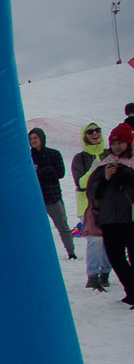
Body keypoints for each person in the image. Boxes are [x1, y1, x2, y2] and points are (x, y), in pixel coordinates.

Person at [85, 123, 134, 307]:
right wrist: (105, 178)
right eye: (114, 143)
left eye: (121, 142)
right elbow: (92, 191)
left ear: (129, 143)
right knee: (115, 256)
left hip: (130, 218)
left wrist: (128, 177)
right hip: (109, 219)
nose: (117, 146)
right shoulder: (103, 165)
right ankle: (131, 290)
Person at [71, 123, 113, 291]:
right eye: (90, 132)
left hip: (108, 204)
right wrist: (93, 170)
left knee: (109, 240)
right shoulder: (80, 158)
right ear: (84, 136)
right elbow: (80, 183)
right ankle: (92, 275)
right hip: (87, 206)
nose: (95, 133)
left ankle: (105, 273)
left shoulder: (108, 153)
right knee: (95, 240)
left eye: (97, 130)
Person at [29, 127, 77, 260]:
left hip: (53, 197)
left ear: (42, 138)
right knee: (36, 229)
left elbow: (60, 173)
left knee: (62, 226)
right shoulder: (27, 156)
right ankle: (39, 254)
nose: (33, 141)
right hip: (35, 198)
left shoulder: (54, 154)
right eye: (31, 139)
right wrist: (48, 171)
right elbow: (27, 176)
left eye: (35, 138)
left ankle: (71, 252)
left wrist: (40, 173)